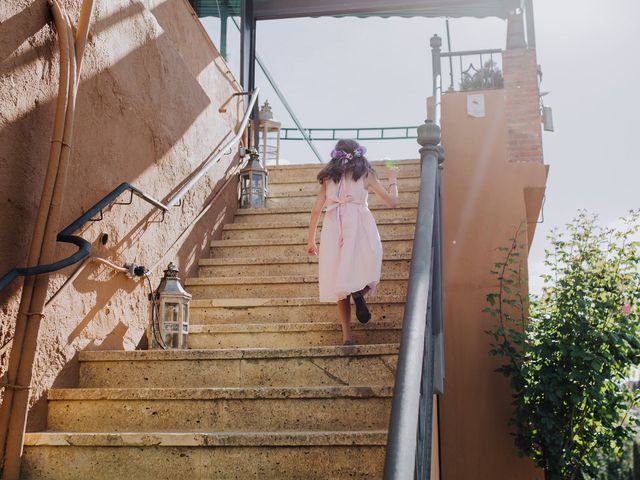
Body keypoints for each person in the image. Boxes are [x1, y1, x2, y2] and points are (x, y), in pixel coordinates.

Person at [306, 139, 399, 346]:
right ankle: (359, 292)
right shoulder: (366, 174)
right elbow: (392, 202)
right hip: (359, 225)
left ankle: (347, 337)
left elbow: (316, 209)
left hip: (334, 227)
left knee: (340, 280)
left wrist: (311, 240)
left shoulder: (329, 179)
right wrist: (393, 178)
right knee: (369, 263)